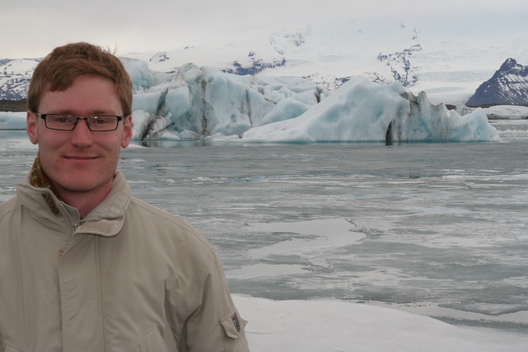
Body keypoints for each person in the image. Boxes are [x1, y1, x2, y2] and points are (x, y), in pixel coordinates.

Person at [0, 42, 249, 352]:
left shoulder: (188, 257)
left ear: (127, 130)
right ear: (32, 126)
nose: (81, 139)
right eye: (62, 119)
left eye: (101, 120)